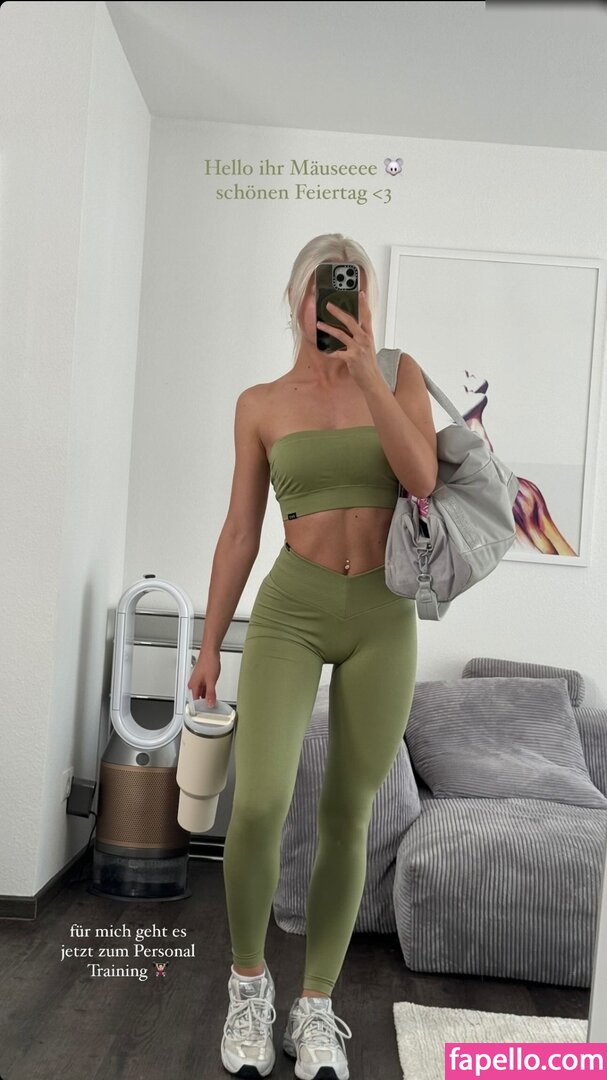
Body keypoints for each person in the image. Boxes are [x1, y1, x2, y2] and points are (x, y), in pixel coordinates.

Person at [188, 233, 438, 1080]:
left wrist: (367, 373)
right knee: (258, 803)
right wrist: (208, 644)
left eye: (354, 289)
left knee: (347, 816)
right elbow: (238, 531)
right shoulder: (259, 403)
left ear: (368, 303)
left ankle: (317, 1005)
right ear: (297, 298)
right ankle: (248, 987)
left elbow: (422, 480)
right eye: (325, 289)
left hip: (381, 615)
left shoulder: (399, 378)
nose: (337, 303)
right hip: (290, 608)